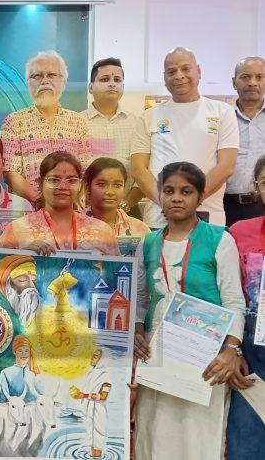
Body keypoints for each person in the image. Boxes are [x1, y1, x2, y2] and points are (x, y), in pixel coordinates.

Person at [134, 162, 246, 460]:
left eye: (186, 192)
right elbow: (141, 297)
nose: (176, 198)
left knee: (197, 441)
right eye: (169, 191)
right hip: (157, 356)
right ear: (159, 195)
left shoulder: (219, 239)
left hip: (205, 357)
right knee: (153, 436)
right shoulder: (148, 243)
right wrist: (137, 331)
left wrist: (231, 350)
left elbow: (234, 301)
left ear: (200, 197)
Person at [131, 47, 239, 228]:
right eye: (171, 71)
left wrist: (191, 201)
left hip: (208, 218)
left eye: (185, 69)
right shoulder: (149, 116)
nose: (179, 76)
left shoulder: (222, 112)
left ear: (199, 71)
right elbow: (138, 169)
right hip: (159, 219)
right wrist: (165, 202)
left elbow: (226, 166)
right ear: (164, 77)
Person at [1, 50, 90, 203]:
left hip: (71, 209)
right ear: (27, 83)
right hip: (28, 209)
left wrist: (67, 204)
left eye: (52, 75)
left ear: (64, 82)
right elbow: (10, 172)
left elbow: (85, 171)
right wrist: (39, 201)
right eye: (37, 76)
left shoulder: (79, 122)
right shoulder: (13, 122)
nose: (45, 81)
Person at [0, 152, 119, 256]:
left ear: (80, 185)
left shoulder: (102, 231)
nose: (63, 186)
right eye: (54, 180)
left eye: (71, 180)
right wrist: (21, 255)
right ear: (41, 183)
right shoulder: (17, 229)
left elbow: (117, 273)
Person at [225, 155, 265, 458]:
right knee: (246, 444)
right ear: (256, 186)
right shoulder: (239, 231)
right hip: (252, 356)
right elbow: (230, 295)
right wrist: (234, 350)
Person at [82, 57, 143, 215]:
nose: (112, 84)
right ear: (90, 87)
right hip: (84, 212)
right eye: (104, 79)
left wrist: (125, 205)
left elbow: (144, 171)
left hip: (128, 209)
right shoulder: (75, 123)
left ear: (123, 86)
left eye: (117, 80)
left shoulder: (138, 123)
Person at [224, 56, 265, 225]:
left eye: (259, 77)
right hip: (227, 205)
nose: (252, 83)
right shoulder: (222, 117)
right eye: (245, 77)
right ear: (234, 83)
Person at [83, 157, 150, 256]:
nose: (110, 192)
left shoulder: (140, 230)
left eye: (117, 185)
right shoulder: (73, 227)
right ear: (88, 187)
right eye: (101, 184)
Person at [69, 349, 112, 458]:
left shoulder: (104, 375)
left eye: (95, 356)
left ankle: (97, 457)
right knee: (91, 437)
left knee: (98, 436)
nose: (91, 358)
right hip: (90, 409)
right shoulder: (91, 373)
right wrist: (78, 393)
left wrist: (83, 395)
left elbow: (103, 396)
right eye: (92, 355)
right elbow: (87, 391)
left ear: (102, 360)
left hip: (98, 410)